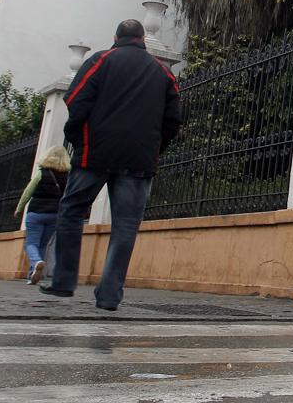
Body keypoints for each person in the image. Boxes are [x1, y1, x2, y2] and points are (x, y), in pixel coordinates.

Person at [39, 19, 182, 311]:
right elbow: (173, 120)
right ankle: (110, 294)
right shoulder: (164, 74)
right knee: (126, 226)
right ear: (142, 38)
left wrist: (76, 137)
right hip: (139, 159)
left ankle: (63, 280)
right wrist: (155, 147)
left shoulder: (100, 61)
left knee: (71, 212)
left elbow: (75, 100)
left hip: (95, 153)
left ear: (116, 37)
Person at [14, 145, 70, 285]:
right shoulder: (67, 177)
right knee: (43, 244)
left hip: (36, 213)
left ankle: (36, 262)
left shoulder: (41, 173)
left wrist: (19, 208)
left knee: (31, 243)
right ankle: (32, 274)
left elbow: (28, 192)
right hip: (55, 214)